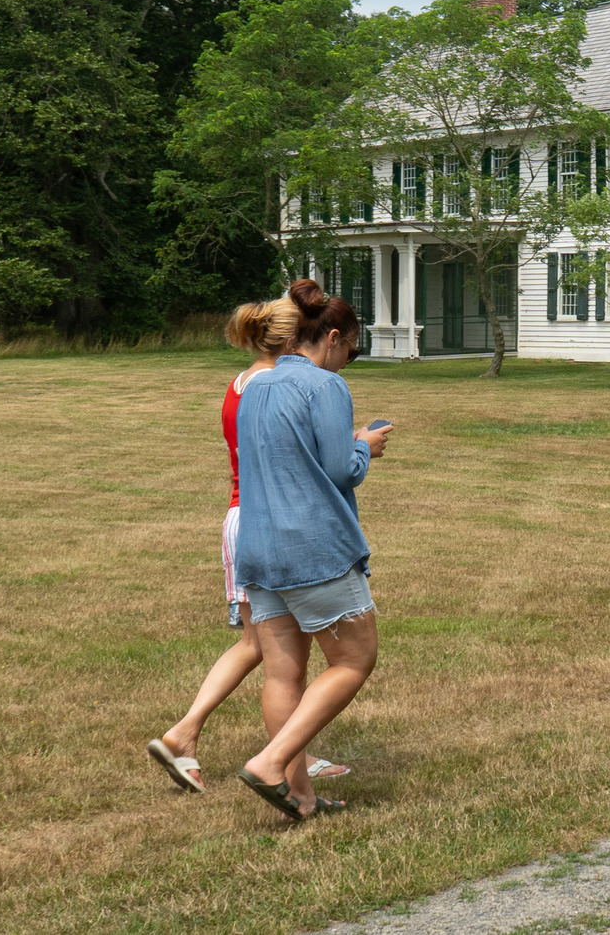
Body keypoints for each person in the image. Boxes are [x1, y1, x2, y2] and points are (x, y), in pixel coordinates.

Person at [147, 296, 353, 793]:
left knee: (268, 649)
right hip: (267, 518)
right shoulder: (272, 384)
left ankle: (277, 754)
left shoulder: (243, 381)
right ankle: (197, 734)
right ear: (291, 340)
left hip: (246, 517)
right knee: (270, 650)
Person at [233, 279, 395, 821]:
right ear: (330, 337)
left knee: (283, 674)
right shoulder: (325, 388)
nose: (348, 361)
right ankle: (271, 762)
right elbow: (339, 470)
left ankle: (300, 797)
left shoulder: (256, 386)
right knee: (354, 658)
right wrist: (363, 445)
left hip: (259, 550)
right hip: (313, 549)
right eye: (350, 349)